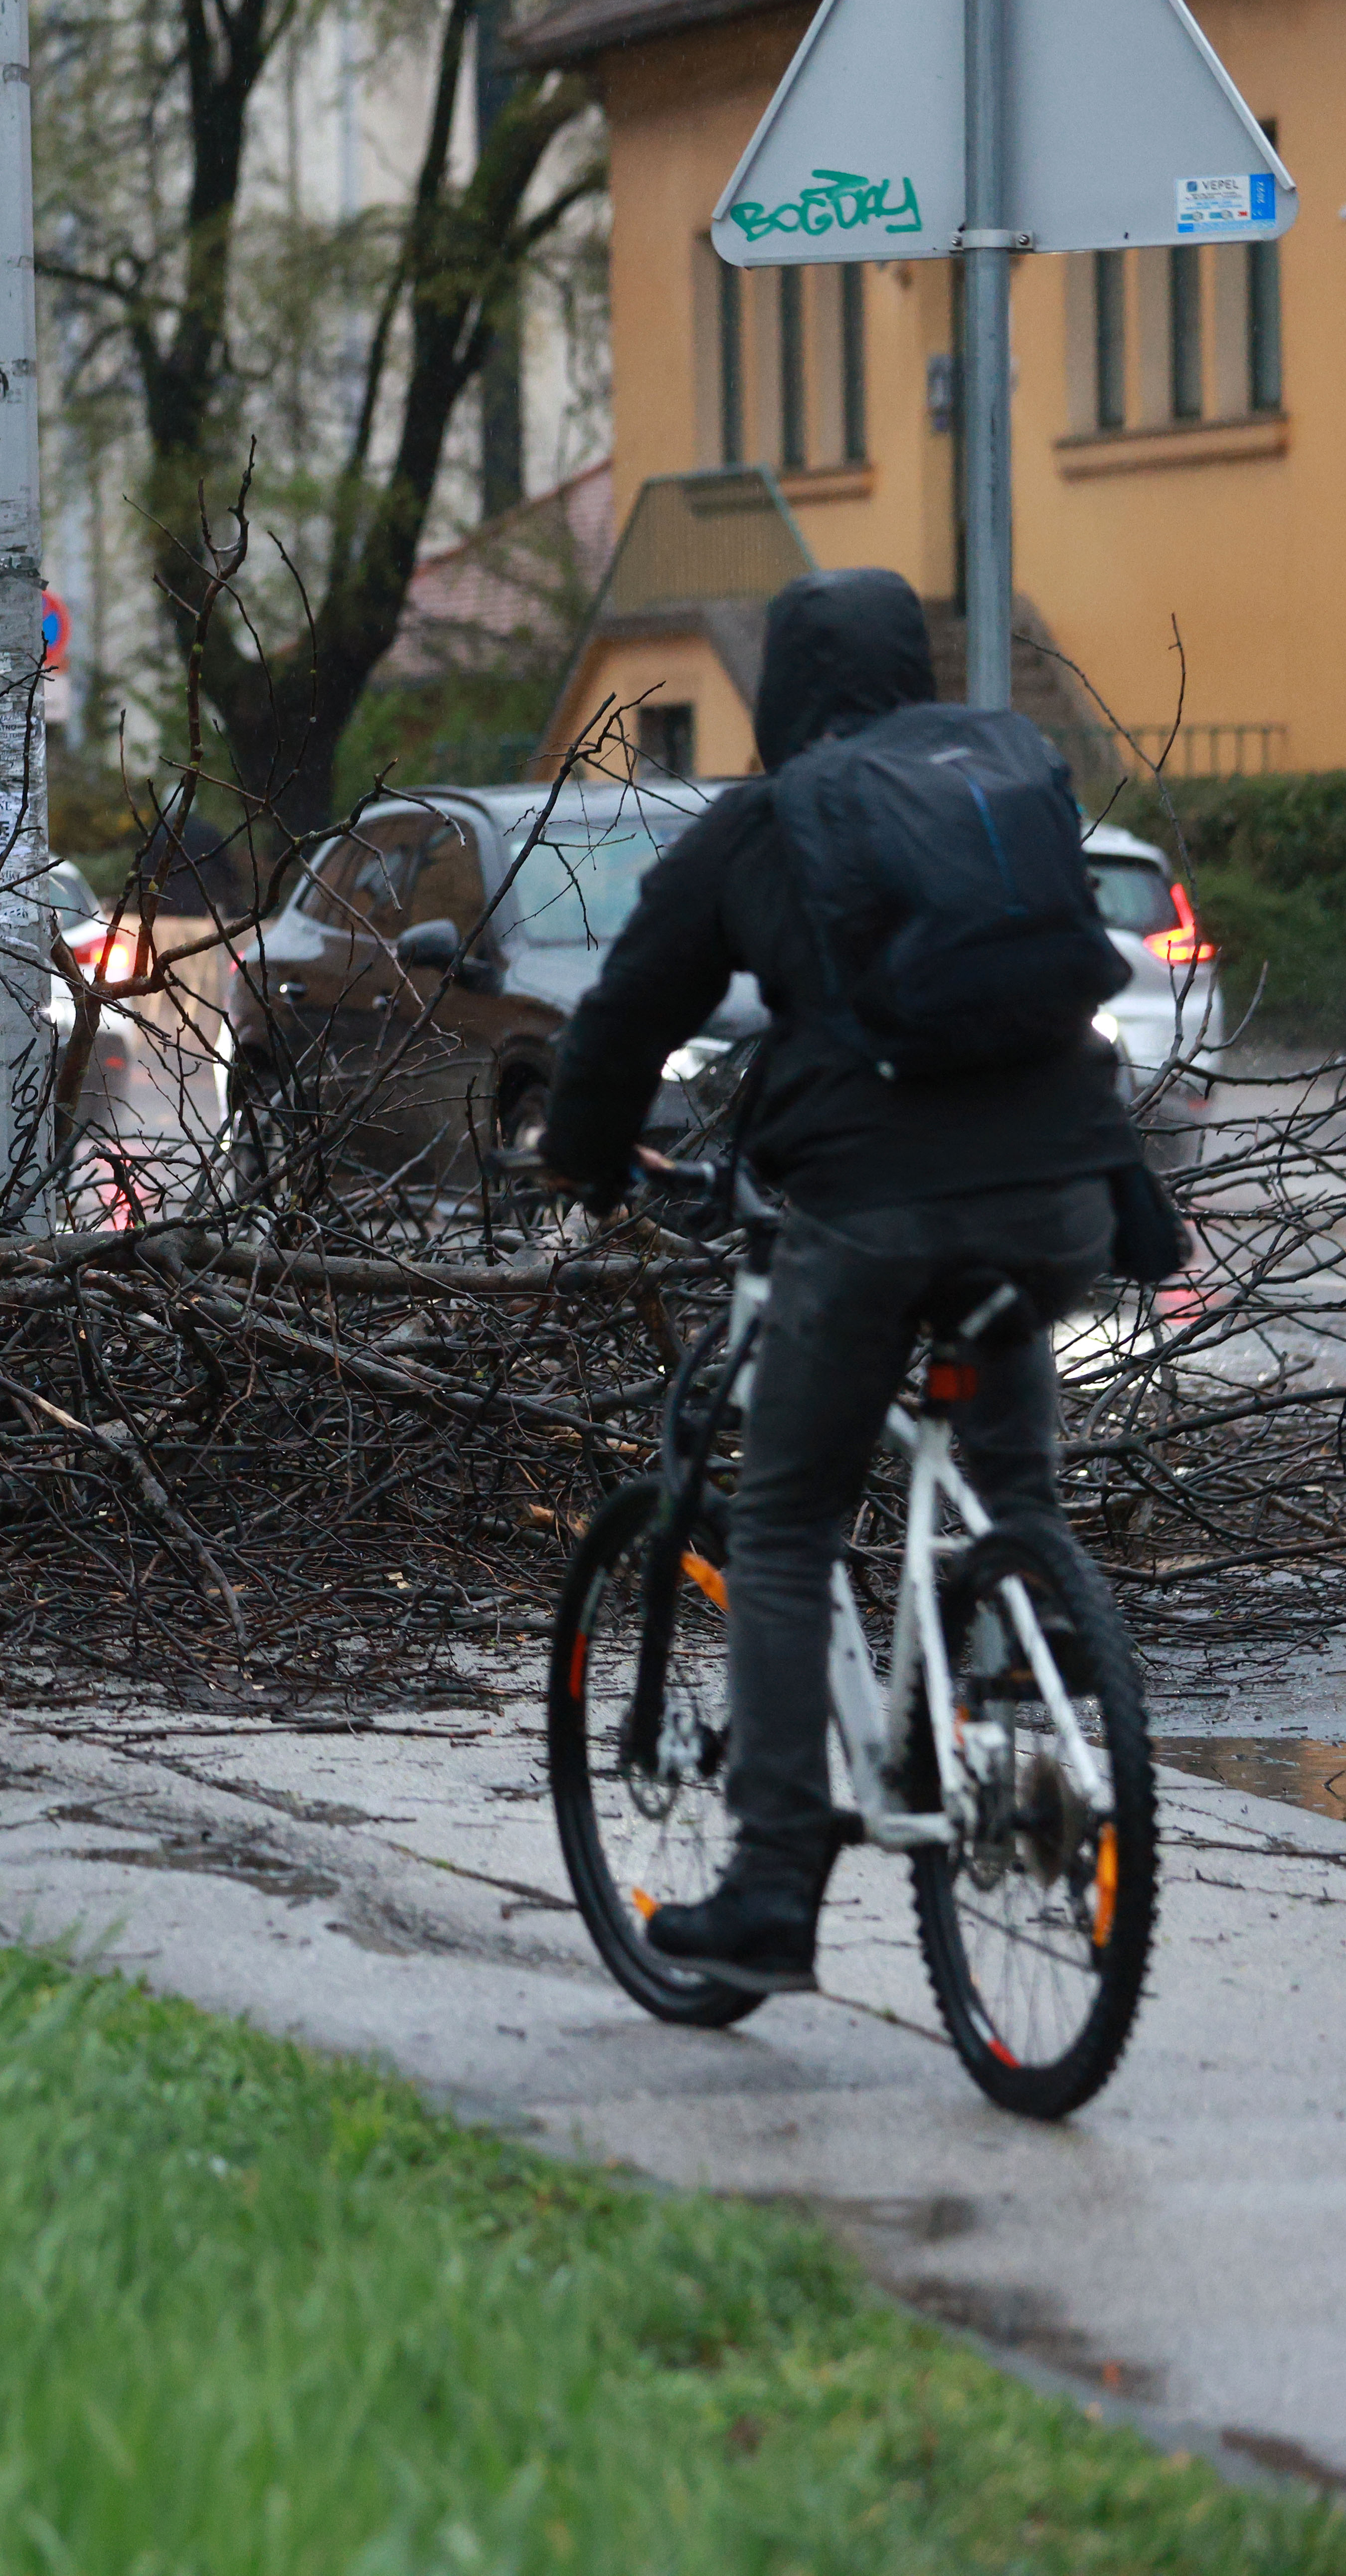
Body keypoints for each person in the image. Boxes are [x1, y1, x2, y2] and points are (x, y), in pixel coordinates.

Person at [537, 566, 1150, 1993]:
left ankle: (765, 1888)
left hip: (879, 1206)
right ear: (914, 674)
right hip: (1067, 1193)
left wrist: (582, 1158)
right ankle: (1017, 1697)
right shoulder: (1005, 773)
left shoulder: (772, 817)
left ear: (784, 693)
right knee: (1009, 1481)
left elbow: (629, 1014)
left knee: (789, 1522)